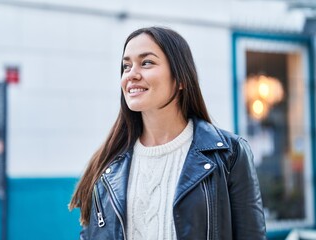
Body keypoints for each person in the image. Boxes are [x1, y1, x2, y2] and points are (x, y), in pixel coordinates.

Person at [69, 26, 266, 240]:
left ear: (180, 78)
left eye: (146, 63)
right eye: (126, 66)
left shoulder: (229, 154)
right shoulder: (107, 166)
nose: (131, 75)